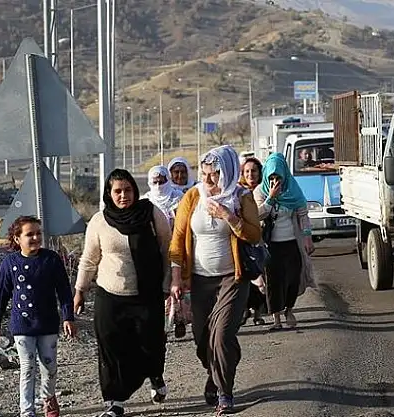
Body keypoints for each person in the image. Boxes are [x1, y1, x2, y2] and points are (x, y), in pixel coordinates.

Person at [168, 145, 262, 415]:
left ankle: (224, 393)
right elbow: (178, 238)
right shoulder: (192, 196)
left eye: (215, 174)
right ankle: (217, 368)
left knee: (221, 336)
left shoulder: (241, 196)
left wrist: (228, 216)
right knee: (202, 338)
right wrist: (176, 278)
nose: (209, 179)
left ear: (228, 172)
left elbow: (255, 235)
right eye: (205, 173)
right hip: (199, 281)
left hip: (232, 279)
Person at [74, 168, 172, 417]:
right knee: (110, 347)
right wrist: (80, 290)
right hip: (110, 294)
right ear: (109, 193)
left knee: (150, 344)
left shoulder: (151, 214)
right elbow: (89, 259)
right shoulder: (99, 221)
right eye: (117, 191)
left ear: (135, 191)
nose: (123, 195)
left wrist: (167, 285)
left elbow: (167, 250)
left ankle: (155, 374)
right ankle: (114, 401)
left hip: (146, 294)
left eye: (128, 190)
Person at [0, 215, 76, 417]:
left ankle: (48, 398)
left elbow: (64, 291)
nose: (36, 238)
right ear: (17, 238)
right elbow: (0, 296)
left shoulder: (51, 259)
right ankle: (26, 410)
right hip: (22, 325)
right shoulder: (10, 263)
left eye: (38, 233)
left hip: (47, 323)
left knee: (49, 366)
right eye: (30, 234)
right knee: (27, 368)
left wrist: (68, 317)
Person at [253, 152, 316, 331]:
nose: (275, 181)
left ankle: (289, 309)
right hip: (270, 245)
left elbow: (303, 214)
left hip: (291, 242)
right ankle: (276, 318)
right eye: (271, 177)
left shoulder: (293, 190)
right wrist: (271, 197)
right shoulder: (260, 191)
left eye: (278, 177)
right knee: (274, 282)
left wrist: (307, 237)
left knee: (292, 279)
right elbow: (258, 214)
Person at [141, 165, 189, 338]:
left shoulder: (178, 198)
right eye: (155, 182)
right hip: (155, 251)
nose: (159, 186)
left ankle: (179, 319)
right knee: (159, 289)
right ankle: (162, 325)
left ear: (168, 180)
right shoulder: (145, 201)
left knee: (176, 286)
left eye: (162, 182)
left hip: (177, 249)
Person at [239, 156, 267, 326]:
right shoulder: (238, 192)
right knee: (248, 277)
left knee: (262, 278)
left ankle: (258, 312)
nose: (250, 175)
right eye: (247, 171)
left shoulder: (265, 189)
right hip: (245, 240)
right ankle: (245, 309)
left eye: (254, 171)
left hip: (264, 240)